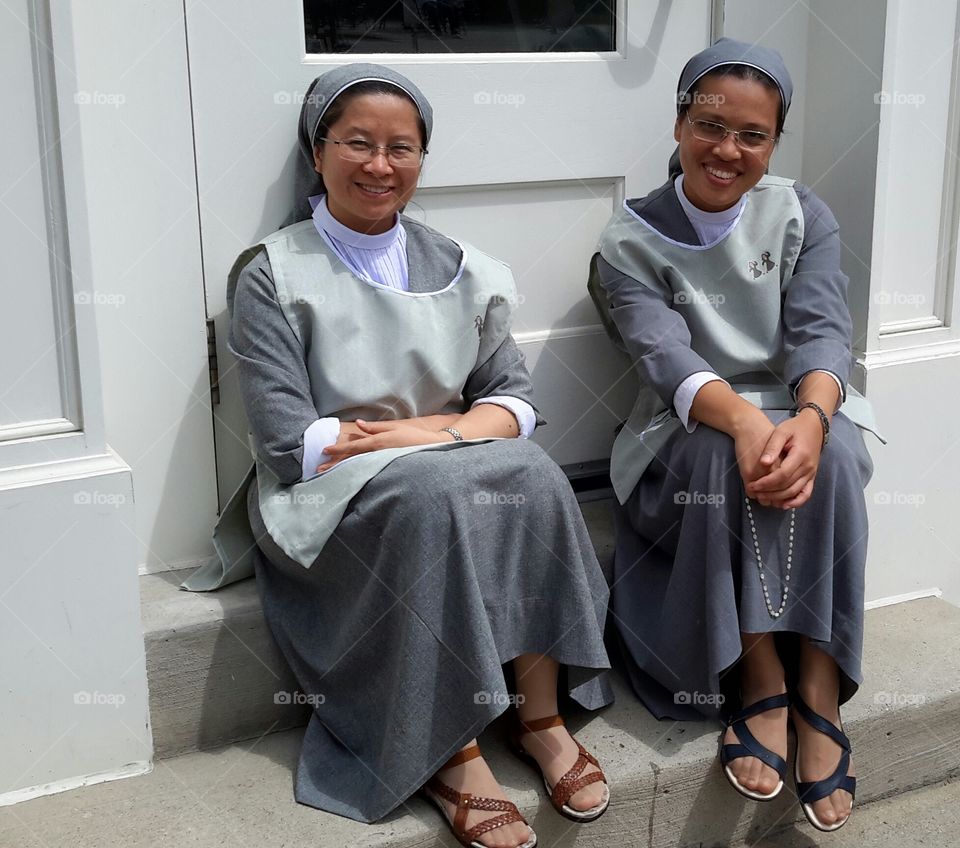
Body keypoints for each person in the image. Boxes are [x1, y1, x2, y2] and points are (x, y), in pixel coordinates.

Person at [196, 63, 613, 848]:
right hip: (330, 497)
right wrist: (449, 431)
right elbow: (295, 440)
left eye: (403, 148)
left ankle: (540, 715)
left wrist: (411, 435)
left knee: (535, 474)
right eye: (357, 143)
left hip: (441, 465)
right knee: (435, 497)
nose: (380, 166)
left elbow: (515, 404)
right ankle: (450, 749)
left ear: (423, 160)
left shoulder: (464, 267)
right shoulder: (273, 274)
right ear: (317, 152)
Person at [589, 39, 882, 833]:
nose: (728, 150)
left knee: (845, 451)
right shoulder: (630, 239)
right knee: (726, 454)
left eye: (752, 135)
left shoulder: (800, 213)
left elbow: (824, 335)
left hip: (798, 403)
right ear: (680, 121)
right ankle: (758, 672)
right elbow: (663, 355)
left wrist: (816, 421)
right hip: (684, 422)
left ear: (774, 142)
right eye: (710, 126)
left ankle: (818, 682)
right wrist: (752, 421)